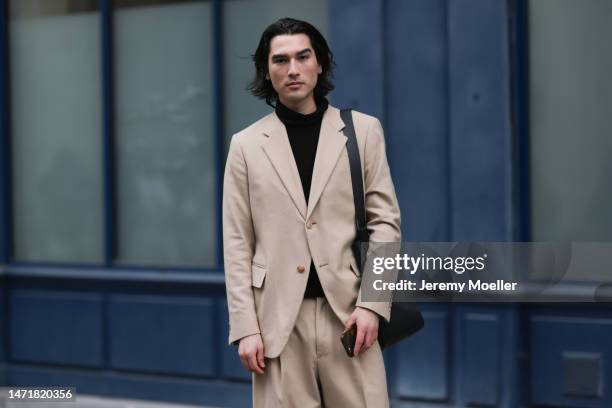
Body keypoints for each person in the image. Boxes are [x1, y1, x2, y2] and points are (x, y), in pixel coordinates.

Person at [222, 17, 401, 408]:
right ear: (267, 72)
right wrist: (245, 328)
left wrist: (373, 303)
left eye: (303, 57)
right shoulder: (246, 146)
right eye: (280, 60)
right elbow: (237, 242)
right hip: (278, 324)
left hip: (350, 316)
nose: (293, 69)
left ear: (320, 63)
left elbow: (386, 223)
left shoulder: (363, 132)